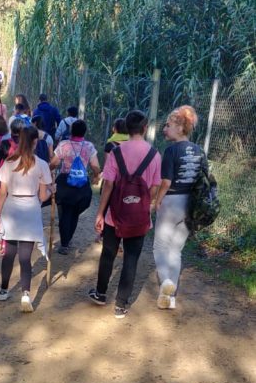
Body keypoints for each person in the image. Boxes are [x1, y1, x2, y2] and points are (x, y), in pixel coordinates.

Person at [89, 110, 161, 318]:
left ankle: (101, 293)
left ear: (127, 128)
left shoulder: (116, 152)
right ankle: (121, 304)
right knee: (131, 258)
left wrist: (100, 213)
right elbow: (154, 188)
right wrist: (143, 204)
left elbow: (108, 185)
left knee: (108, 253)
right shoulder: (155, 155)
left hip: (115, 214)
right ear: (145, 128)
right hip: (139, 217)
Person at [153, 105, 206, 310]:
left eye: (168, 125)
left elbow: (166, 182)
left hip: (171, 201)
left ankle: (166, 281)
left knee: (160, 247)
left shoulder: (171, 150)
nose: (165, 129)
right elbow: (204, 181)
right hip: (191, 204)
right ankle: (170, 298)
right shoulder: (200, 151)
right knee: (176, 250)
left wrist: (157, 200)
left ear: (180, 127)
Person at [0, 126, 52, 312]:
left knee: (9, 253)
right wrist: (51, 190)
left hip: (11, 209)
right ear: (35, 142)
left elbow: (2, 193)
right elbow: (43, 196)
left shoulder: (9, 162)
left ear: (19, 140)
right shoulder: (41, 164)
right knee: (26, 257)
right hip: (31, 210)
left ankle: (4, 290)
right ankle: (26, 294)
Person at [50, 119, 100, 253]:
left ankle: (64, 244)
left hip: (65, 183)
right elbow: (96, 166)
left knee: (65, 213)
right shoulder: (89, 146)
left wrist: (49, 170)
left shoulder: (64, 144)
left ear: (71, 131)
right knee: (74, 213)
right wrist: (96, 176)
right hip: (81, 184)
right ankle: (68, 239)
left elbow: (54, 163)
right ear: (84, 132)